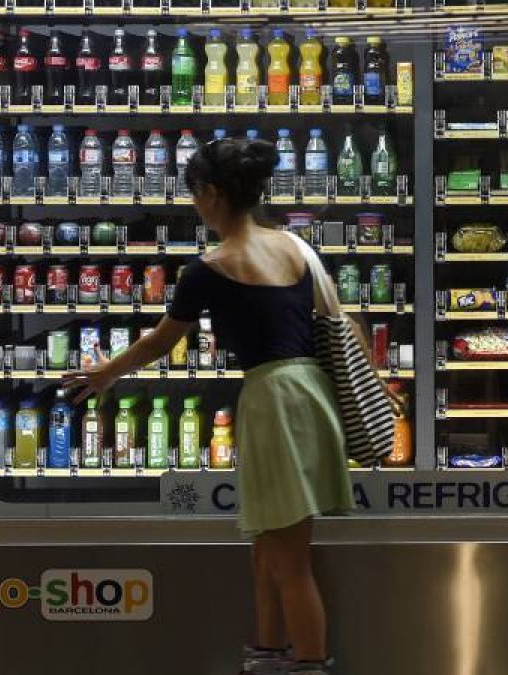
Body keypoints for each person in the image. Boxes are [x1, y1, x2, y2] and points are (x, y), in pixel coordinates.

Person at [63, 137, 350, 675]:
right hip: (309, 392)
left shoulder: (209, 267)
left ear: (213, 193)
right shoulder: (292, 246)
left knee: (290, 559)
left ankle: (310, 665)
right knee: (266, 548)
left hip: (274, 399)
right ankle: (268, 653)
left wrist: (106, 374)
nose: (194, 203)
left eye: (195, 192)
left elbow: (161, 341)